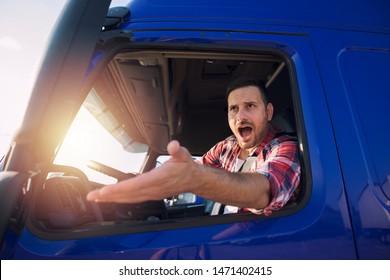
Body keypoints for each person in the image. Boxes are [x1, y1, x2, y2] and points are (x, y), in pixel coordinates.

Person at [86, 77, 301, 216]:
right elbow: (192, 168)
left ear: (269, 112)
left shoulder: (285, 148)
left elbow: (265, 190)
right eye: (233, 109)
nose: (240, 116)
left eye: (250, 106)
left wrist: (196, 180)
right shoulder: (227, 147)